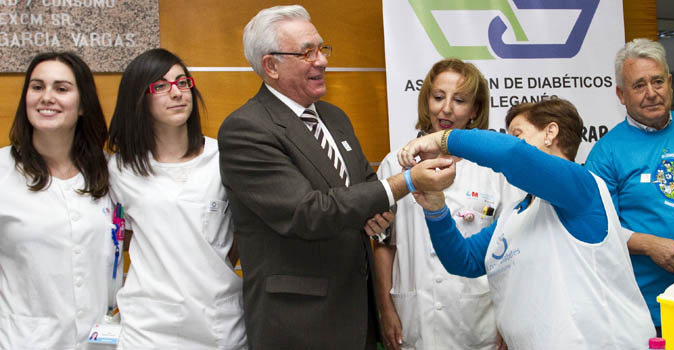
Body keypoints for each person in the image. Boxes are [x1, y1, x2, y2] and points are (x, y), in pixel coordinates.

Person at [217, 5, 447, 349]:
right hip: (299, 324)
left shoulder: (334, 117)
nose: (322, 61)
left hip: (357, 313)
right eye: (306, 52)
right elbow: (306, 212)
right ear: (271, 66)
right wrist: (406, 183)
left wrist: (383, 215)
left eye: (321, 48)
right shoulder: (246, 129)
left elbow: (366, 188)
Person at [398, 99, 655, 348]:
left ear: (550, 133)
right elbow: (462, 260)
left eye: (517, 133)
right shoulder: (515, 214)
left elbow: (510, 154)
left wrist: (442, 139)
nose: (511, 140)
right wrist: (436, 209)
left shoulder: (581, 185)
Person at [375, 58, 522, 350]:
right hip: (414, 317)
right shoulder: (395, 164)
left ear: (475, 110)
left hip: (478, 319)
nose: (446, 109)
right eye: (438, 97)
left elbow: (512, 252)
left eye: (459, 100)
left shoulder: (494, 170)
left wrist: (510, 319)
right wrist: (386, 309)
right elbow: (383, 244)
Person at [584, 38, 674, 333]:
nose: (651, 93)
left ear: (671, 83)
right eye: (639, 86)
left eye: (658, 82)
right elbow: (596, 229)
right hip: (649, 309)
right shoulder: (606, 152)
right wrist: (648, 244)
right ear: (621, 95)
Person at [106, 48, 246, 349]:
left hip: (219, 323)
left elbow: (242, 232)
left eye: (183, 83)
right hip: (147, 329)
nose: (177, 93)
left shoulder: (223, 157)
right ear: (139, 98)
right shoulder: (120, 170)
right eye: (161, 86)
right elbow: (118, 236)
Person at [0, 52, 119, 349]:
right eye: (37, 87)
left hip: (99, 342)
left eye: (61, 88)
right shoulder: (3, 172)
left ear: (82, 105)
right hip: (22, 341)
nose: (46, 97)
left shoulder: (110, 174)